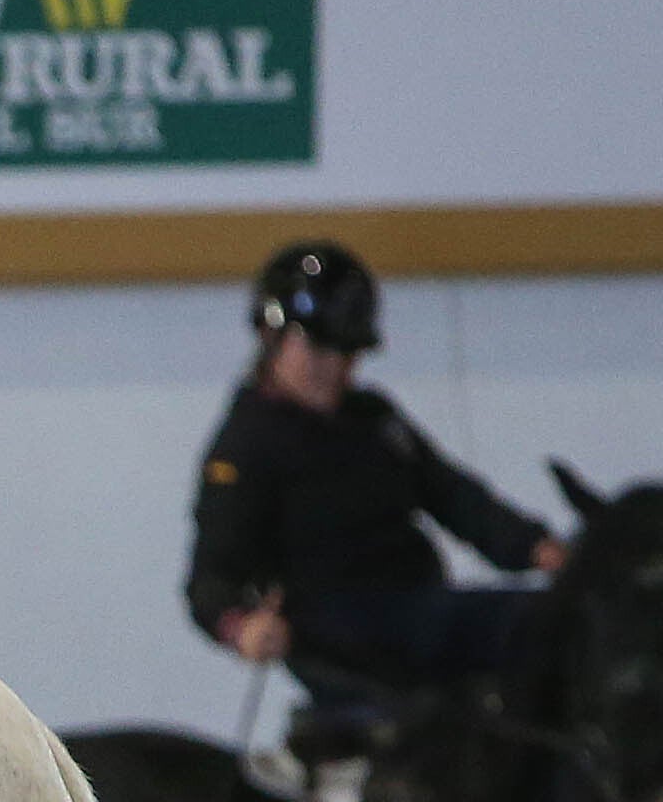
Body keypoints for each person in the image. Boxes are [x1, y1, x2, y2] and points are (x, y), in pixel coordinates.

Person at [184, 239, 566, 733]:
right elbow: (211, 576)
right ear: (271, 334)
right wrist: (241, 627)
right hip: (340, 636)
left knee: (554, 622)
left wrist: (538, 547)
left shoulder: (374, 420)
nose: (335, 369)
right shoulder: (246, 446)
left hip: (423, 609)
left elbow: (454, 496)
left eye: (347, 353)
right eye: (318, 347)